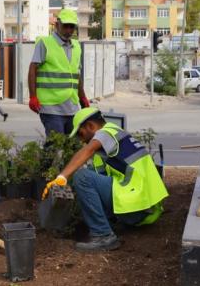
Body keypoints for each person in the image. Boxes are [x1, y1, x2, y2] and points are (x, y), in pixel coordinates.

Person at [41, 107, 168, 252]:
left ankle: (103, 235)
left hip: (140, 207)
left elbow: (86, 151)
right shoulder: (116, 139)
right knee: (88, 174)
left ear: (90, 126)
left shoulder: (107, 132)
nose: (81, 140)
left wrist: (62, 177)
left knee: (82, 176)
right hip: (146, 208)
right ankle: (107, 223)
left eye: (81, 134)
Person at [27, 8, 90, 136]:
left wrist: (82, 97)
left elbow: (76, 75)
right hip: (51, 108)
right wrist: (33, 96)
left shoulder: (77, 47)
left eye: (71, 27)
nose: (68, 30)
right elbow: (33, 68)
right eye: (65, 26)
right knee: (55, 146)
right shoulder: (45, 43)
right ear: (57, 25)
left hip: (72, 107)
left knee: (73, 147)